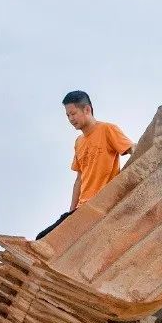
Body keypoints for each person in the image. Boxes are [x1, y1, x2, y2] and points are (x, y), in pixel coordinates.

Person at [36, 91, 134, 240]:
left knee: (45, 239)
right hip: (82, 208)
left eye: (73, 114)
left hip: (102, 202)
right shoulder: (79, 142)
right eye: (67, 115)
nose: (70, 119)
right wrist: (71, 212)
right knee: (42, 237)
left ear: (87, 109)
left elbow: (131, 148)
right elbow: (79, 179)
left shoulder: (107, 129)